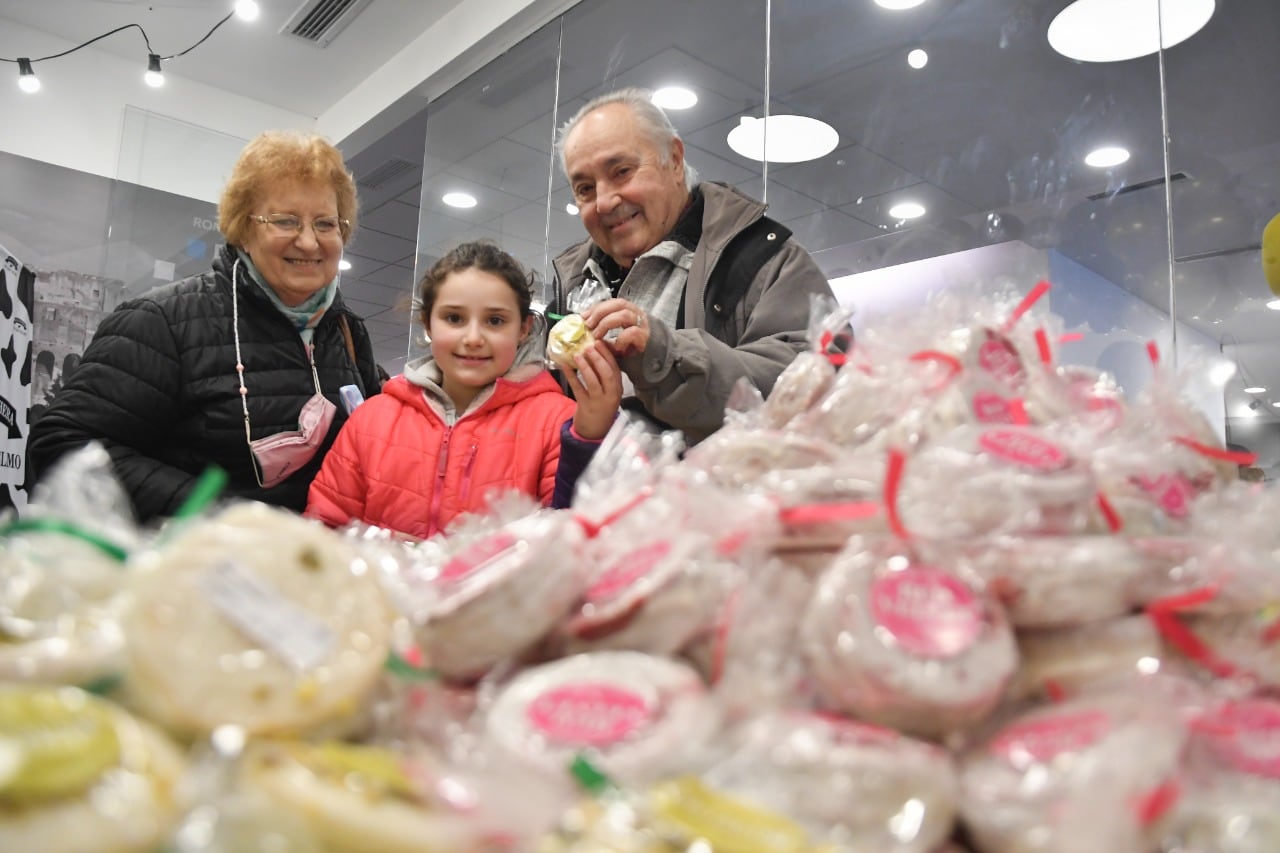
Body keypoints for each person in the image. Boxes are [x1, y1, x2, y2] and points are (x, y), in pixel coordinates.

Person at [27, 130, 382, 522]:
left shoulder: (347, 334)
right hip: (192, 573)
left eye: (326, 224)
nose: (310, 242)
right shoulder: (162, 322)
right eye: (285, 221)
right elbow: (62, 447)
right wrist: (219, 519)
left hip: (310, 574)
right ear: (244, 229)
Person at [551, 87, 836, 444]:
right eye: (585, 188)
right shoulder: (570, 288)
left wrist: (667, 357)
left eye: (622, 171)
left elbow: (823, 386)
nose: (605, 201)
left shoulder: (763, 260)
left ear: (674, 159)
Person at [305, 241, 622, 540]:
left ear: (523, 329)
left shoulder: (557, 422)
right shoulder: (372, 420)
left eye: (495, 321)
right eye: (454, 318)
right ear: (428, 324)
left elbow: (571, 541)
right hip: (383, 597)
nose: (473, 337)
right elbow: (323, 532)